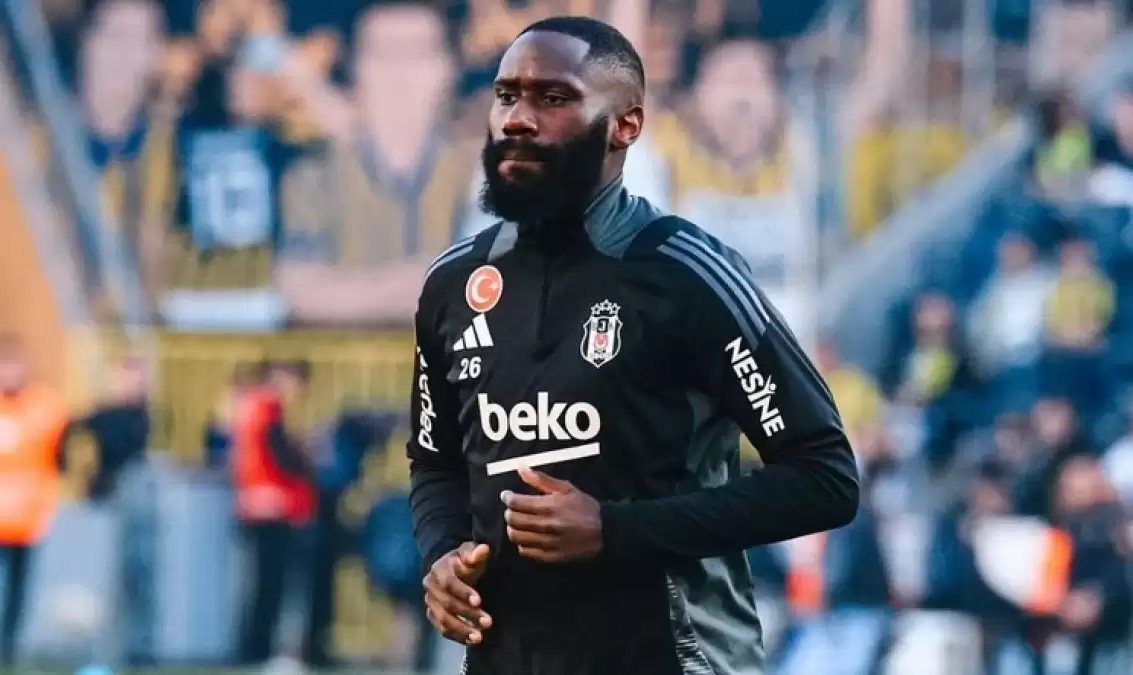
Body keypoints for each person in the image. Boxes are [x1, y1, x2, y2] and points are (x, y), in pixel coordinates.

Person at [406, 16, 859, 675]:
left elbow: (824, 476)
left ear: (625, 126)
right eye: (506, 96)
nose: (517, 120)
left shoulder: (689, 277)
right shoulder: (453, 285)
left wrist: (615, 530)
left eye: (553, 98)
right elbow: (434, 462)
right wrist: (443, 554)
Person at [231, 360, 317, 665]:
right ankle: (258, 650)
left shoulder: (250, 406)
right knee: (270, 586)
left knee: (261, 584)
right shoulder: (268, 408)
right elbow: (282, 456)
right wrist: (306, 457)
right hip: (274, 508)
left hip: (257, 506)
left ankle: (254, 648)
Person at [0, 335, 69, 665]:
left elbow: (63, 452)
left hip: (27, 519)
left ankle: (8, 651)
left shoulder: (45, 407)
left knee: (19, 591)